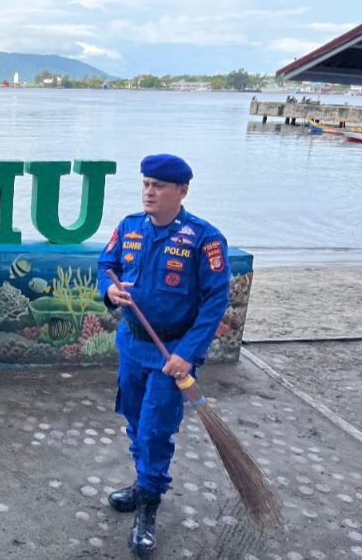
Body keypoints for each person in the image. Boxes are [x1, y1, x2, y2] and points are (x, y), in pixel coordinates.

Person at [96, 154, 230, 555]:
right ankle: (144, 483)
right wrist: (109, 290)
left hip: (172, 354)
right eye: (145, 184)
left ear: (182, 191)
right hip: (132, 345)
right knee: (136, 423)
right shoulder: (129, 227)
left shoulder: (204, 239)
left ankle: (149, 503)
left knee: (156, 428)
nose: (148, 192)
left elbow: (214, 302)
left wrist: (187, 354)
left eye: (158, 186)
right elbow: (106, 264)